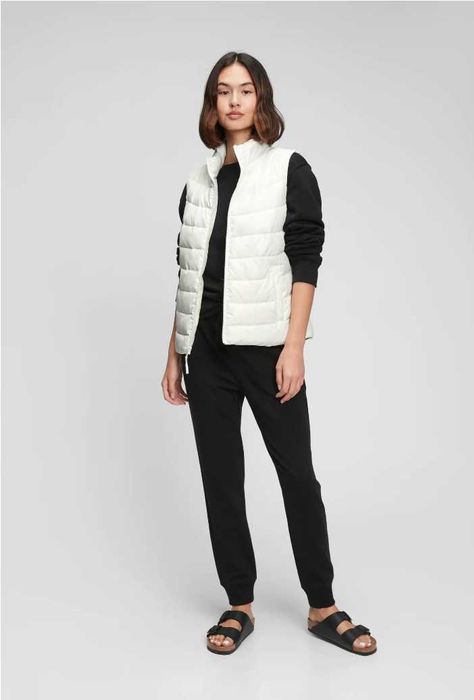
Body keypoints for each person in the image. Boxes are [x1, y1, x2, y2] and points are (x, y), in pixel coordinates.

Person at [161, 51, 377, 657]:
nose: (234, 100)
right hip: (206, 352)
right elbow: (187, 272)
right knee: (220, 478)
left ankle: (323, 606)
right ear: (212, 103)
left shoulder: (288, 168)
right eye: (223, 90)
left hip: (265, 351)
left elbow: (306, 257)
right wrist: (175, 353)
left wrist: (294, 347)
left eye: (245, 90)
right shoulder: (197, 182)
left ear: (261, 100)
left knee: (297, 476)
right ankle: (239, 603)